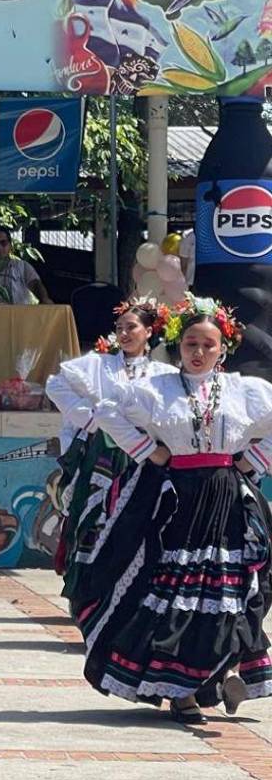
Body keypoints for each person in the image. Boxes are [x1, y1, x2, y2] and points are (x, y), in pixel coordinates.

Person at [89, 294, 272, 724]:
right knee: (178, 592)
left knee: (231, 588)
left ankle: (219, 673)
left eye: (208, 344)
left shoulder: (244, 391)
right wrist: (148, 450)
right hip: (176, 499)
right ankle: (183, 693)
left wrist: (254, 460)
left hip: (226, 496)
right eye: (191, 343)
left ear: (222, 348)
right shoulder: (157, 388)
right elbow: (107, 410)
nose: (198, 352)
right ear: (178, 346)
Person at [45, 299, 175, 588]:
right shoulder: (99, 364)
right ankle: (87, 588)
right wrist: (91, 421)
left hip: (142, 457)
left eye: (132, 327)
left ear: (149, 331)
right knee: (94, 514)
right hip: (103, 453)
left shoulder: (163, 374)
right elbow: (55, 384)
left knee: (137, 519)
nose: (125, 334)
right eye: (120, 328)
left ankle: (131, 586)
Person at [0, 226, 51, 304]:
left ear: (10, 245)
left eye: (4, 243)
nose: (0, 248)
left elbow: (36, 285)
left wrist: (44, 299)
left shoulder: (22, 266)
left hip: (20, 314)